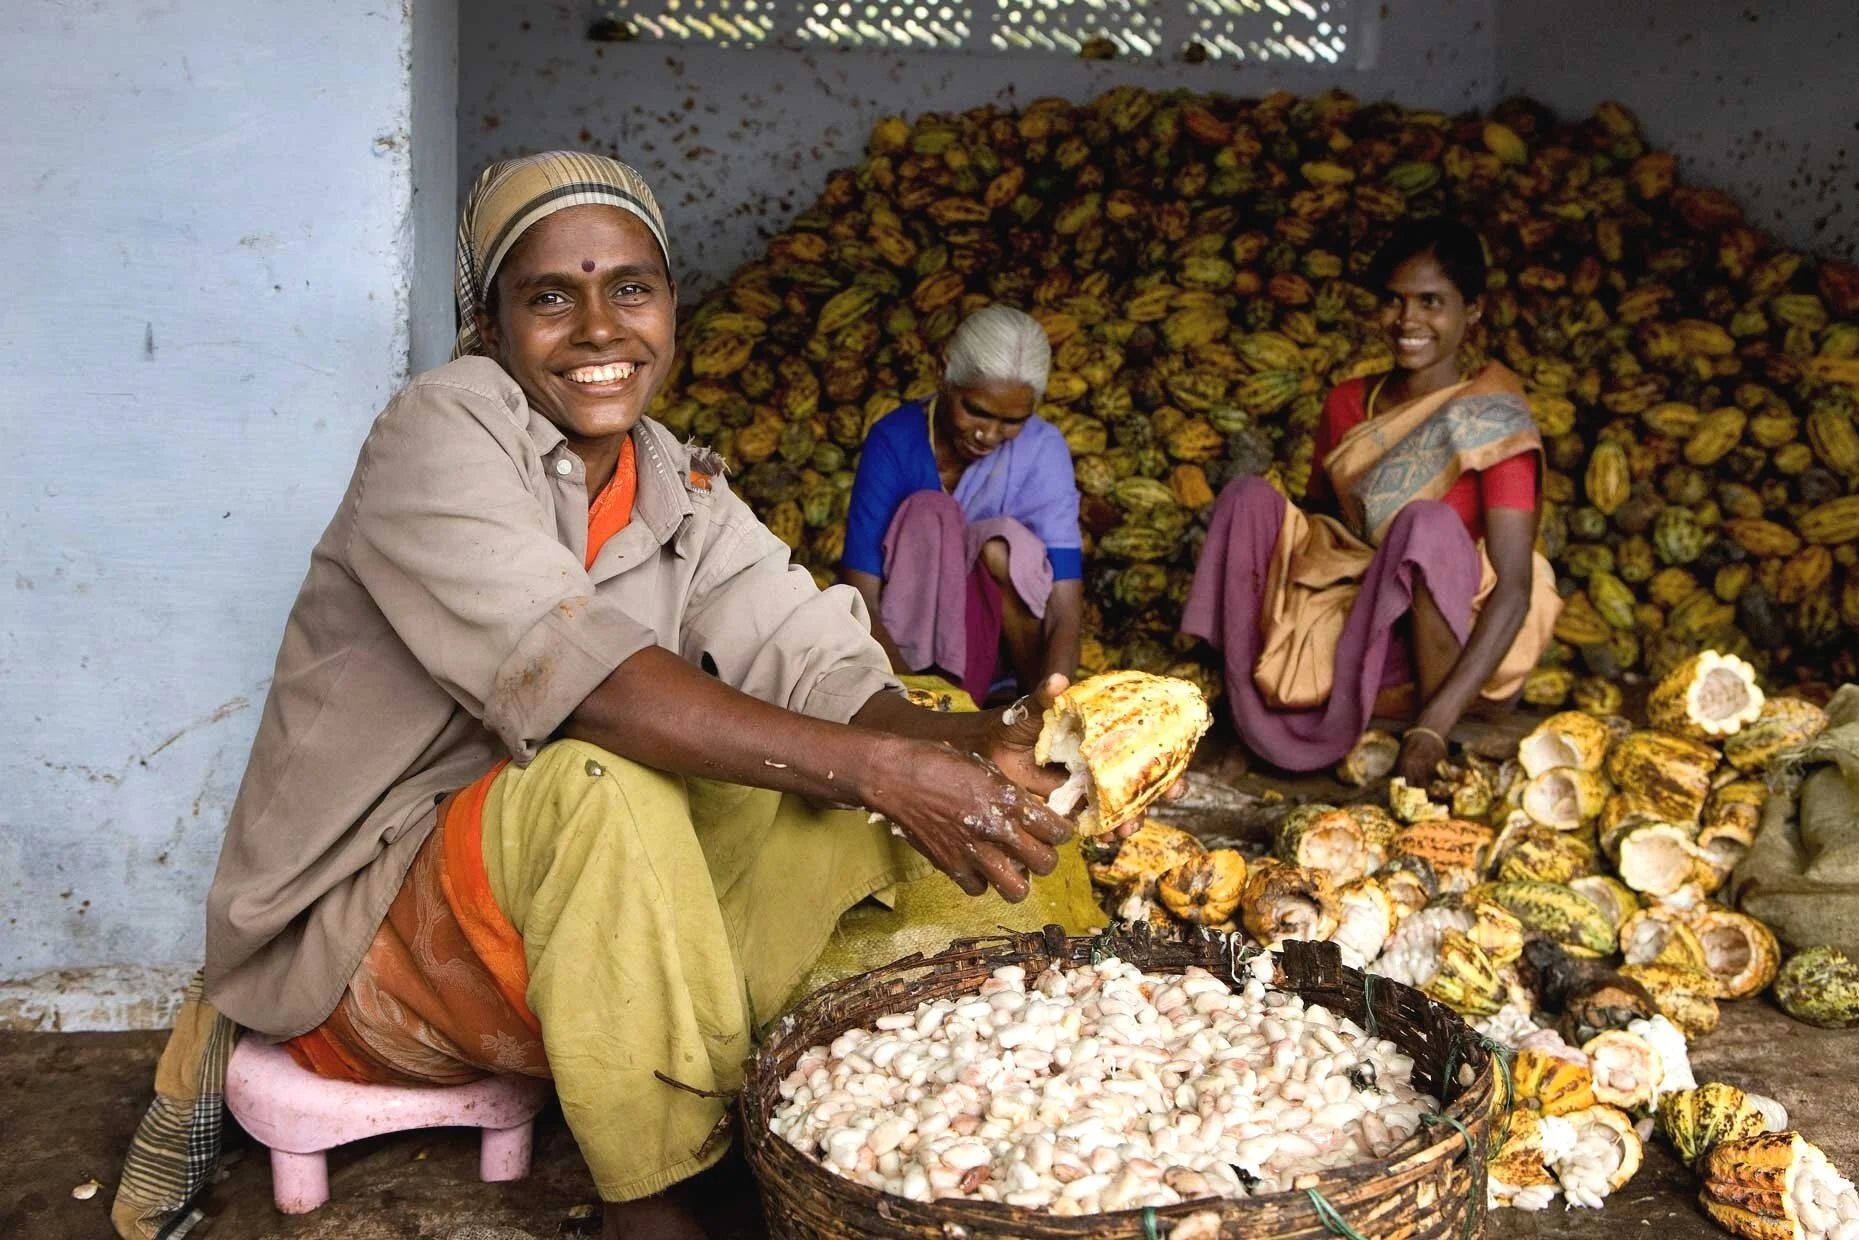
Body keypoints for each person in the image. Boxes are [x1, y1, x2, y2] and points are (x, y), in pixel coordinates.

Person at [174, 153, 1082, 1240]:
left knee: (833, 774)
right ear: (489, 326)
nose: (600, 328)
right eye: (550, 295)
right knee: (613, 781)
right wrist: (888, 766)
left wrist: (980, 736)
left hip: (540, 916)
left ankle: (885, 1105)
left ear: (670, 310)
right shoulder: (440, 430)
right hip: (370, 946)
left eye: (631, 289)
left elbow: (815, 657)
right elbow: (584, 682)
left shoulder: (675, 480)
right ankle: (655, 1198)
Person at [1182, 219, 1562, 785]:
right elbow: (1321, 525)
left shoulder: (1492, 418)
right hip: (1362, 617)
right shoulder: (1347, 402)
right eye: (1394, 301)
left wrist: (1433, 726)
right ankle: (1248, 717)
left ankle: (1426, 719)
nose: (1408, 321)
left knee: (1426, 526)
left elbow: (1514, 588)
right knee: (1247, 498)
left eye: (1431, 302)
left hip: (1453, 642)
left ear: (1472, 311)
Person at [839, 305, 1085, 704]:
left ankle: (1013, 697)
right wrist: (915, 699)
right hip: (905, 659)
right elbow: (860, 593)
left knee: (1001, 547)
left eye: (1012, 421)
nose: (988, 435)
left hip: (1010, 656)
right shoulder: (895, 439)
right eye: (976, 411)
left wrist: (1052, 704)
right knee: (929, 514)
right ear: (943, 373)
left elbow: (1065, 606)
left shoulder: (1043, 449)